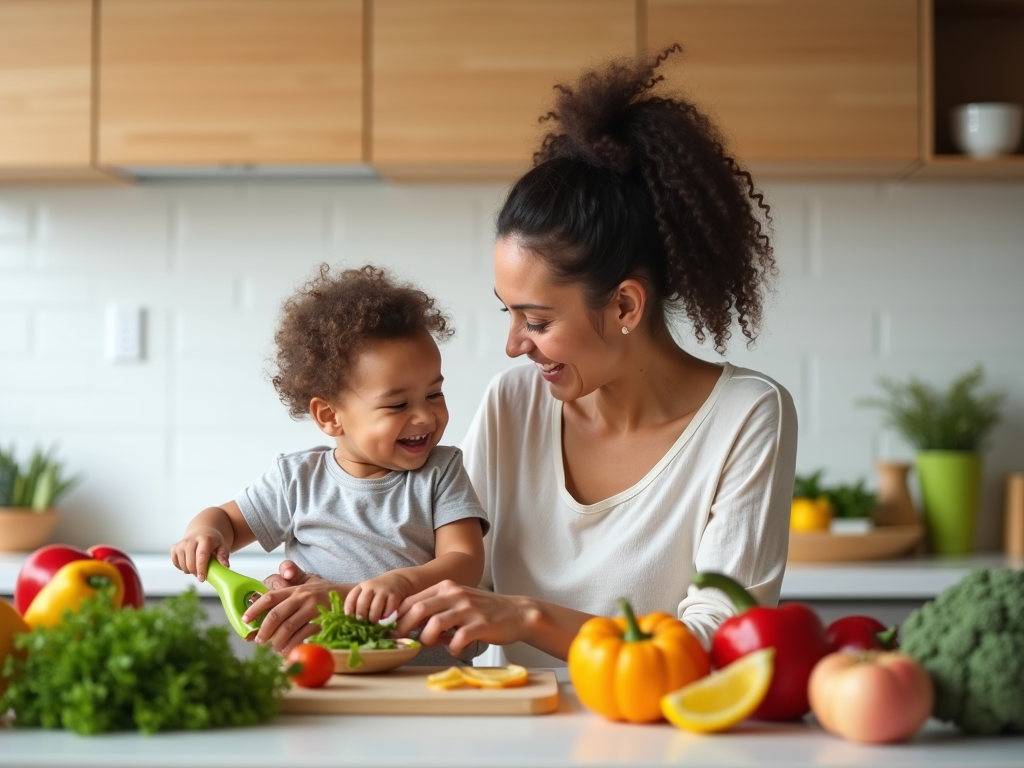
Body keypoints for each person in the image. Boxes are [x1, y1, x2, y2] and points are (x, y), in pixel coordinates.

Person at [251, 45, 798, 664]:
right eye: (507, 312)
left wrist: (527, 617)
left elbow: (724, 645)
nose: (513, 345)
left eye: (536, 320)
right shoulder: (515, 402)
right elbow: (455, 586)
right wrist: (340, 600)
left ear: (624, 307)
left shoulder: (747, 416)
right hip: (505, 726)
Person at [170, 265, 489, 662]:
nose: (425, 417)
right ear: (328, 416)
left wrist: (399, 583)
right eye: (397, 404)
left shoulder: (441, 472)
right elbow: (224, 521)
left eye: (435, 394)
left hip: (425, 676)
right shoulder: (295, 479)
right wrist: (203, 534)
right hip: (323, 672)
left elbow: (464, 562)